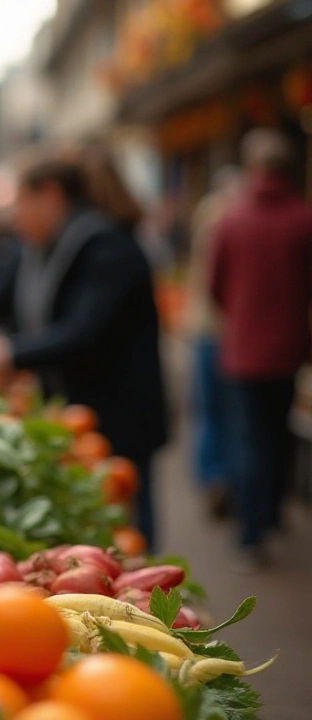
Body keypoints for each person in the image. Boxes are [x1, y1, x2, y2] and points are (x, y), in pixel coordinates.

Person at [0, 152, 169, 552]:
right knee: (96, 513)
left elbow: (84, 330)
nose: (14, 219)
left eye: (20, 204)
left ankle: (152, 593)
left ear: (50, 196)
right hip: (71, 410)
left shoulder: (108, 247)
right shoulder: (37, 249)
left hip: (120, 410)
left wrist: (9, 352)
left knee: (126, 516)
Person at [209, 128, 312, 570]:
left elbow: (214, 286)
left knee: (249, 436)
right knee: (280, 432)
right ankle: (270, 513)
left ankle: (251, 530)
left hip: (244, 347)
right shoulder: (304, 218)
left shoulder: (230, 219)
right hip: (289, 346)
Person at [186, 165, 241, 518]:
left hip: (207, 328)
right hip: (230, 331)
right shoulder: (232, 218)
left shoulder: (209, 216)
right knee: (231, 414)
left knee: (210, 413)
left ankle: (214, 479)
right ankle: (227, 481)